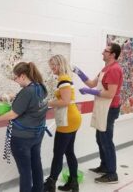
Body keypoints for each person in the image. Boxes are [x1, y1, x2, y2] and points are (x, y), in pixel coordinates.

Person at [0, 62, 49, 192]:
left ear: (23, 76)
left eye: (16, 77)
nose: (15, 80)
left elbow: (13, 114)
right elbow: (30, 102)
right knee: (36, 165)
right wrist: (11, 96)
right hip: (37, 135)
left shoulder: (27, 91)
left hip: (22, 139)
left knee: (25, 172)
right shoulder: (40, 87)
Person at [73, 43, 123, 184]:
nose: (102, 53)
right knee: (100, 138)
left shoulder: (114, 70)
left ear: (113, 54)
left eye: (106, 51)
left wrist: (90, 92)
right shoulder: (105, 68)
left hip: (109, 109)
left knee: (106, 140)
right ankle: (105, 166)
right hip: (102, 107)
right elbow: (91, 83)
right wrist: (79, 72)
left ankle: (112, 174)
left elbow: (110, 94)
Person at [43, 55, 82, 192]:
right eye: (51, 65)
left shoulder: (63, 79)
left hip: (68, 120)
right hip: (72, 118)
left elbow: (65, 101)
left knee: (58, 153)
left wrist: (46, 103)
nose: (52, 68)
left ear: (61, 64)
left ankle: (50, 183)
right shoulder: (65, 78)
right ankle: (73, 182)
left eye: (55, 65)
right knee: (69, 152)